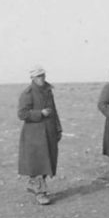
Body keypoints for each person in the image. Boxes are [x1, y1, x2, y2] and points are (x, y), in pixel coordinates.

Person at [17, 65, 62, 205]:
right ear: (32, 78)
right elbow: (22, 114)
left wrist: (58, 128)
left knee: (47, 162)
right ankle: (40, 192)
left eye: (42, 75)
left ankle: (34, 185)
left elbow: (54, 111)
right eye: (38, 76)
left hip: (49, 132)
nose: (41, 78)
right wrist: (40, 114)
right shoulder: (28, 93)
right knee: (37, 164)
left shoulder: (48, 91)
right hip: (34, 135)